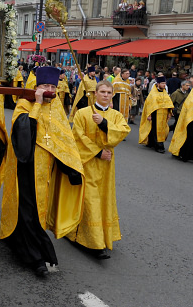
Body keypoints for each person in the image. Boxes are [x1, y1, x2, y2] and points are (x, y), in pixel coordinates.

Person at [0, 66, 84, 277]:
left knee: (38, 212)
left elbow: (64, 140)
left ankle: (19, 243)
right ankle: (35, 258)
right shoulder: (24, 105)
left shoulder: (57, 108)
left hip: (47, 170)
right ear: (36, 87)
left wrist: (70, 168)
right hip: (25, 166)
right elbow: (23, 133)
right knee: (29, 212)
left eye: (53, 86)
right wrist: (36, 105)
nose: (49, 90)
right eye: (45, 86)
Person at [67, 80, 130, 259]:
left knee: (104, 200)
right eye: (102, 92)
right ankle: (94, 243)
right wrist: (97, 152)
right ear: (95, 93)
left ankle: (99, 236)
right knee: (90, 199)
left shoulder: (116, 115)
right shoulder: (83, 114)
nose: (106, 95)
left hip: (106, 166)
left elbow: (122, 132)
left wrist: (103, 123)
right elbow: (77, 137)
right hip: (88, 163)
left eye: (109, 93)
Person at [139, 76, 173, 153]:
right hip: (155, 114)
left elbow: (169, 103)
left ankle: (151, 143)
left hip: (164, 114)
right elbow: (149, 105)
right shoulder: (153, 93)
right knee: (156, 130)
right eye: (162, 83)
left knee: (160, 129)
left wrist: (169, 113)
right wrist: (149, 115)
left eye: (165, 83)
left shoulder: (165, 93)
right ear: (158, 84)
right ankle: (159, 146)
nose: (164, 85)